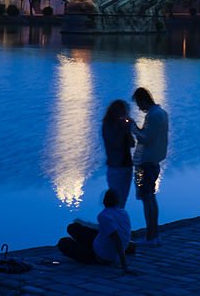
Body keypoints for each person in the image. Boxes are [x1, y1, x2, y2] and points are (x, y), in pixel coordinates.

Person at [56, 189, 134, 273]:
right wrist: (84, 223)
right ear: (118, 202)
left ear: (104, 201)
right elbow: (104, 229)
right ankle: (127, 248)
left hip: (102, 256)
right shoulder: (124, 213)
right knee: (73, 228)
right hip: (102, 244)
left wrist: (124, 266)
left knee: (63, 243)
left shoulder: (104, 216)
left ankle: (85, 249)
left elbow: (117, 239)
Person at [130, 87, 168, 246]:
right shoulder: (162, 113)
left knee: (147, 198)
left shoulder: (153, 116)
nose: (139, 108)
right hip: (154, 161)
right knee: (151, 197)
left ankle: (151, 236)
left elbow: (146, 139)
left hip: (145, 163)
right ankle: (154, 234)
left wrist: (132, 129)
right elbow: (150, 136)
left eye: (139, 104)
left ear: (144, 100)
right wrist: (139, 129)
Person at [102, 99, 134, 208]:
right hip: (115, 167)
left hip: (127, 165)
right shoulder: (108, 125)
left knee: (123, 200)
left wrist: (130, 129)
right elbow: (115, 145)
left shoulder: (122, 125)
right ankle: (114, 222)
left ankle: (119, 222)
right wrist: (124, 129)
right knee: (115, 200)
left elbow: (132, 144)